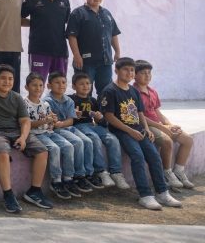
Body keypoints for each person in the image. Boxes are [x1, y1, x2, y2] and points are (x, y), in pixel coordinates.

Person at [101, 57, 182, 210]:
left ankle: (162, 192)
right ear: (116, 71)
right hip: (121, 131)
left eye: (132, 70)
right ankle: (145, 195)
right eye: (125, 69)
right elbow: (109, 116)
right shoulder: (110, 91)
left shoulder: (133, 91)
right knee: (137, 156)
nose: (129, 73)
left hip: (139, 130)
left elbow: (140, 113)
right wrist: (130, 131)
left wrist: (146, 129)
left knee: (154, 156)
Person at [0, 65, 52, 212]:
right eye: (3, 78)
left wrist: (23, 137)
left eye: (10, 79)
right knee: (2, 152)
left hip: (15, 131)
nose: (7, 82)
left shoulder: (16, 97)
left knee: (42, 151)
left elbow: (25, 121)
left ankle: (34, 191)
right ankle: (8, 194)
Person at [133, 60, 194, 189]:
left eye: (149, 73)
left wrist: (170, 125)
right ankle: (167, 173)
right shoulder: (133, 92)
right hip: (146, 125)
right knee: (167, 141)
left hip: (159, 124)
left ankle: (179, 171)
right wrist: (162, 127)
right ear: (135, 75)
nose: (147, 75)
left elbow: (157, 112)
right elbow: (139, 116)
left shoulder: (152, 91)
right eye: (143, 73)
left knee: (187, 139)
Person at [69, 72, 130, 189]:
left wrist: (100, 118)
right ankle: (101, 171)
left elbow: (102, 122)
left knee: (112, 139)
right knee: (94, 138)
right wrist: (73, 114)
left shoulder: (93, 100)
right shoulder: (70, 99)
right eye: (81, 84)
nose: (85, 86)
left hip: (92, 125)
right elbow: (65, 115)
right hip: (78, 126)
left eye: (88, 83)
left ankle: (116, 172)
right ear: (73, 86)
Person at [45, 71, 101, 191]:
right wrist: (59, 124)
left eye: (63, 82)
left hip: (68, 127)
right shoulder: (47, 101)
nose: (61, 85)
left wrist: (62, 123)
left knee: (88, 141)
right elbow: (52, 124)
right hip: (55, 130)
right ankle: (74, 176)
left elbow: (71, 121)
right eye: (57, 83)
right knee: (77, 142)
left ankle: (88, 173)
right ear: (49, 85)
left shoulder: (69, 101)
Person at [25, 72, 78, 200]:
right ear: (26, 87)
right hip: (36, 134)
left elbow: (51, 124)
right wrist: (44, 121)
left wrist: (53, 121)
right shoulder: (24, 103)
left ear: (44, 87)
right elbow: (27, 124)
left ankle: (68, 178)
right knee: (54, 148)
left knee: (69, 146)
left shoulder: (46, 105)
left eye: (40, 85)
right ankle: (56, 180)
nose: (38, 88)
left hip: (49, 132)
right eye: (34, 85)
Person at [67, 0, 121, 96]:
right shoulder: (78, 13)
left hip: (105, 61)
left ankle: (104, 108)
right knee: (84, 92)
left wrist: (117, 52)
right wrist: (77, 56)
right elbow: (72, 36)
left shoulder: (106, 13)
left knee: (106, 92)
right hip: (85, 62)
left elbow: (113, 34)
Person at [21, 0, 71, 82]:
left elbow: (67, 21)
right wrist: (35, 23)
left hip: (60, 50)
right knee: (37, 84)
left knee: (59, 85)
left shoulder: (64, 0)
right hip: (39, 50)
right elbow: (19, 18)